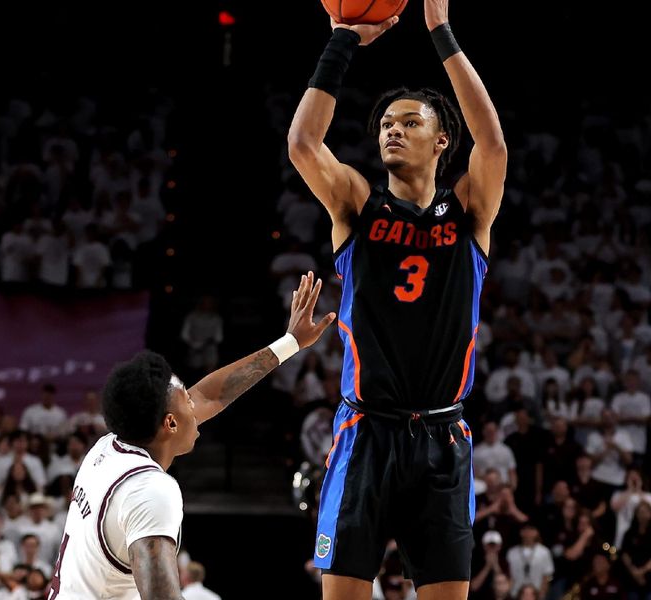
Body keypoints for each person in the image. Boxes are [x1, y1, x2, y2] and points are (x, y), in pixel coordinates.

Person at [287, 0, 507, 596]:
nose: (392, 128)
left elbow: (492, 142)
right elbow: (304, 143)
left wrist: (442, 32)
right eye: (386, 122)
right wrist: (341, 41)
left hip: (443, 438)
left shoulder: (468, 211)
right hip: (366, 433)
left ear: (441, 142)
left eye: (410, 122)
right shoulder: (357, 203)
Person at [48, 272, 335, 600]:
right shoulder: (150, 490)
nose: (194, 400)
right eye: (186, 397)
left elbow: (212, 395)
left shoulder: (109, 447)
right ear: (170, 424)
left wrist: (290, 342)